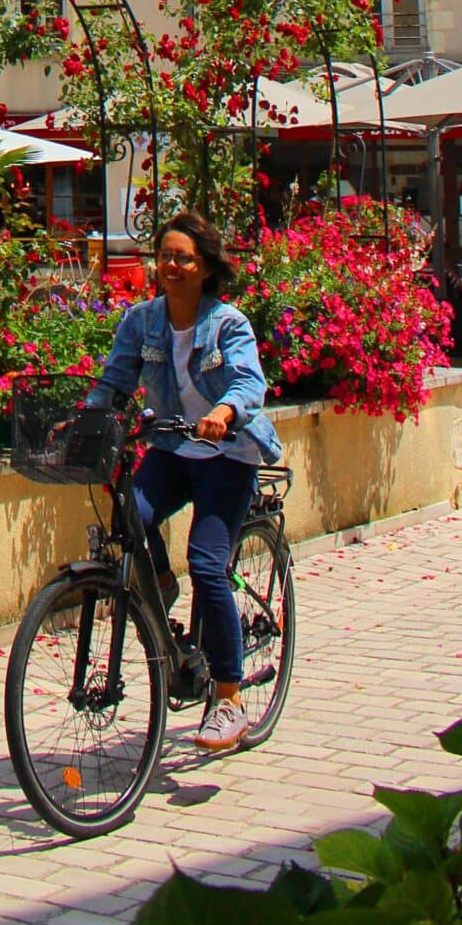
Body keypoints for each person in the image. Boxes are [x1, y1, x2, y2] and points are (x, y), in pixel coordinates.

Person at [83, 210, 281, 759]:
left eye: (182, 258)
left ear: (205, 267)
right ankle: (162, 584)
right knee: (130, 516)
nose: (169, 266)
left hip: (226, 453)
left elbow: (248, 382)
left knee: (208, 564)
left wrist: (224, 411)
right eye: (164, 256)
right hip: (172, 447)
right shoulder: (142, 321)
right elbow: (115, 380)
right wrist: (86, 416)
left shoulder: (228, 324)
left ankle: (228, 698)